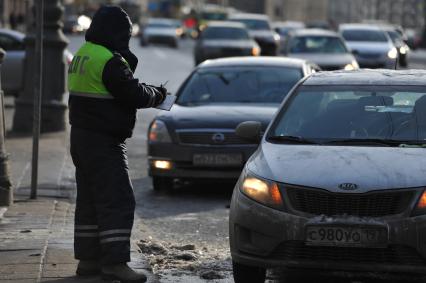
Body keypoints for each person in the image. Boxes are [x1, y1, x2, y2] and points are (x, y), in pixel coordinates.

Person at [68, 5, 167, 283]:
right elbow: (132, 94)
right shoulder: (109, 60)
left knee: (89, 200)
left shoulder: (83, 54)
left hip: (81, 136)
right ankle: (115, 263)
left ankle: (88, 260)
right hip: (104, 140)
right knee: (117, 199)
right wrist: (158, 95)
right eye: (126, 33)